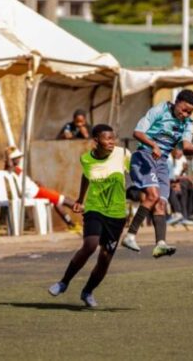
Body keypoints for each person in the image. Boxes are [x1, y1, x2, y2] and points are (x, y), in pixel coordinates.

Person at [121, 89, 193, 258]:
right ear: (177, 101)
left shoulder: (188, 123)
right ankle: (130, 236)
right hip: (144, 156)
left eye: (190, 112)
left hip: (161, 164)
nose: (186, 114)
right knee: (152, 195)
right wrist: (153, 145)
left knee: (160, 202)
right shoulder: (160, 110)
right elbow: (137, 132)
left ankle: (160, 244)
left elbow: (187, 148)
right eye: (184, 109)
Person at [47, 124, 129, 307]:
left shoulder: (123, 154)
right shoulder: (86, 159)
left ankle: (88, 291)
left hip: (116, 213)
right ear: (96, 140)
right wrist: (80, 199)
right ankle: (63, 283)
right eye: (106, 138)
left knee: (105, 257)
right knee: (90, 245)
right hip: (94, 208)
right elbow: (86, 176)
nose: (111, 142)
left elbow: (138, 172)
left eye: (113, 138)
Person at [5, 148, 82, 233]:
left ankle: (71, 225)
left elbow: (23, 182)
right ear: (12, 159)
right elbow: (9, 167)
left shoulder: (16, 169)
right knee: (65, 200)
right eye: (17, 157)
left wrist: (34, 183)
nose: (20, 159)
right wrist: (8, 158)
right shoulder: (12, 169)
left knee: (57, 202)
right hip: (35, 193)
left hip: (36, 190)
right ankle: (90, 214)